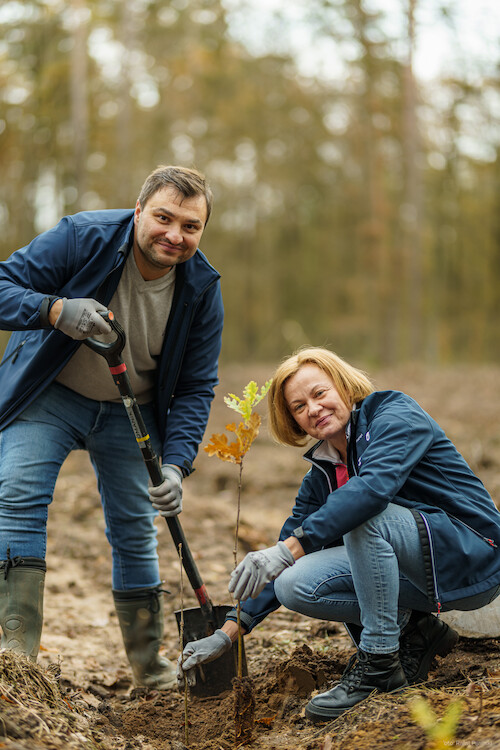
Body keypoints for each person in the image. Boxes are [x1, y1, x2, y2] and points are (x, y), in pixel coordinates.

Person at [177, 347, 500, 720]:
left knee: (362, 516)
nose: (313, 409)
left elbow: (372, 490)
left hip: (472, 554)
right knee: (292, 583)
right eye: (299, 407)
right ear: (295, 422)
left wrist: (290, 548)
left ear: (344, 388)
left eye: (319, 393)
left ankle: (379, 664)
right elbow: (286, 547)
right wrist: (228, 632)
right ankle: (417, 632)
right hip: (420, 576)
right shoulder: (323, 475)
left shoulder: (395, 414)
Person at [0, 165, 223, 690]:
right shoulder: (82, 237)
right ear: (139, 211)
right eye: (164, 217)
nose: (175, 235)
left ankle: (150, 668)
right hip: (50, 393)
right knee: (18, 492)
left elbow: (196, 385)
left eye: (190, 226)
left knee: (135, 529)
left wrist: (176, 463)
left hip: (133, 412)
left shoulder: (201, 288)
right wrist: (53, 309)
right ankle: (15, 656)